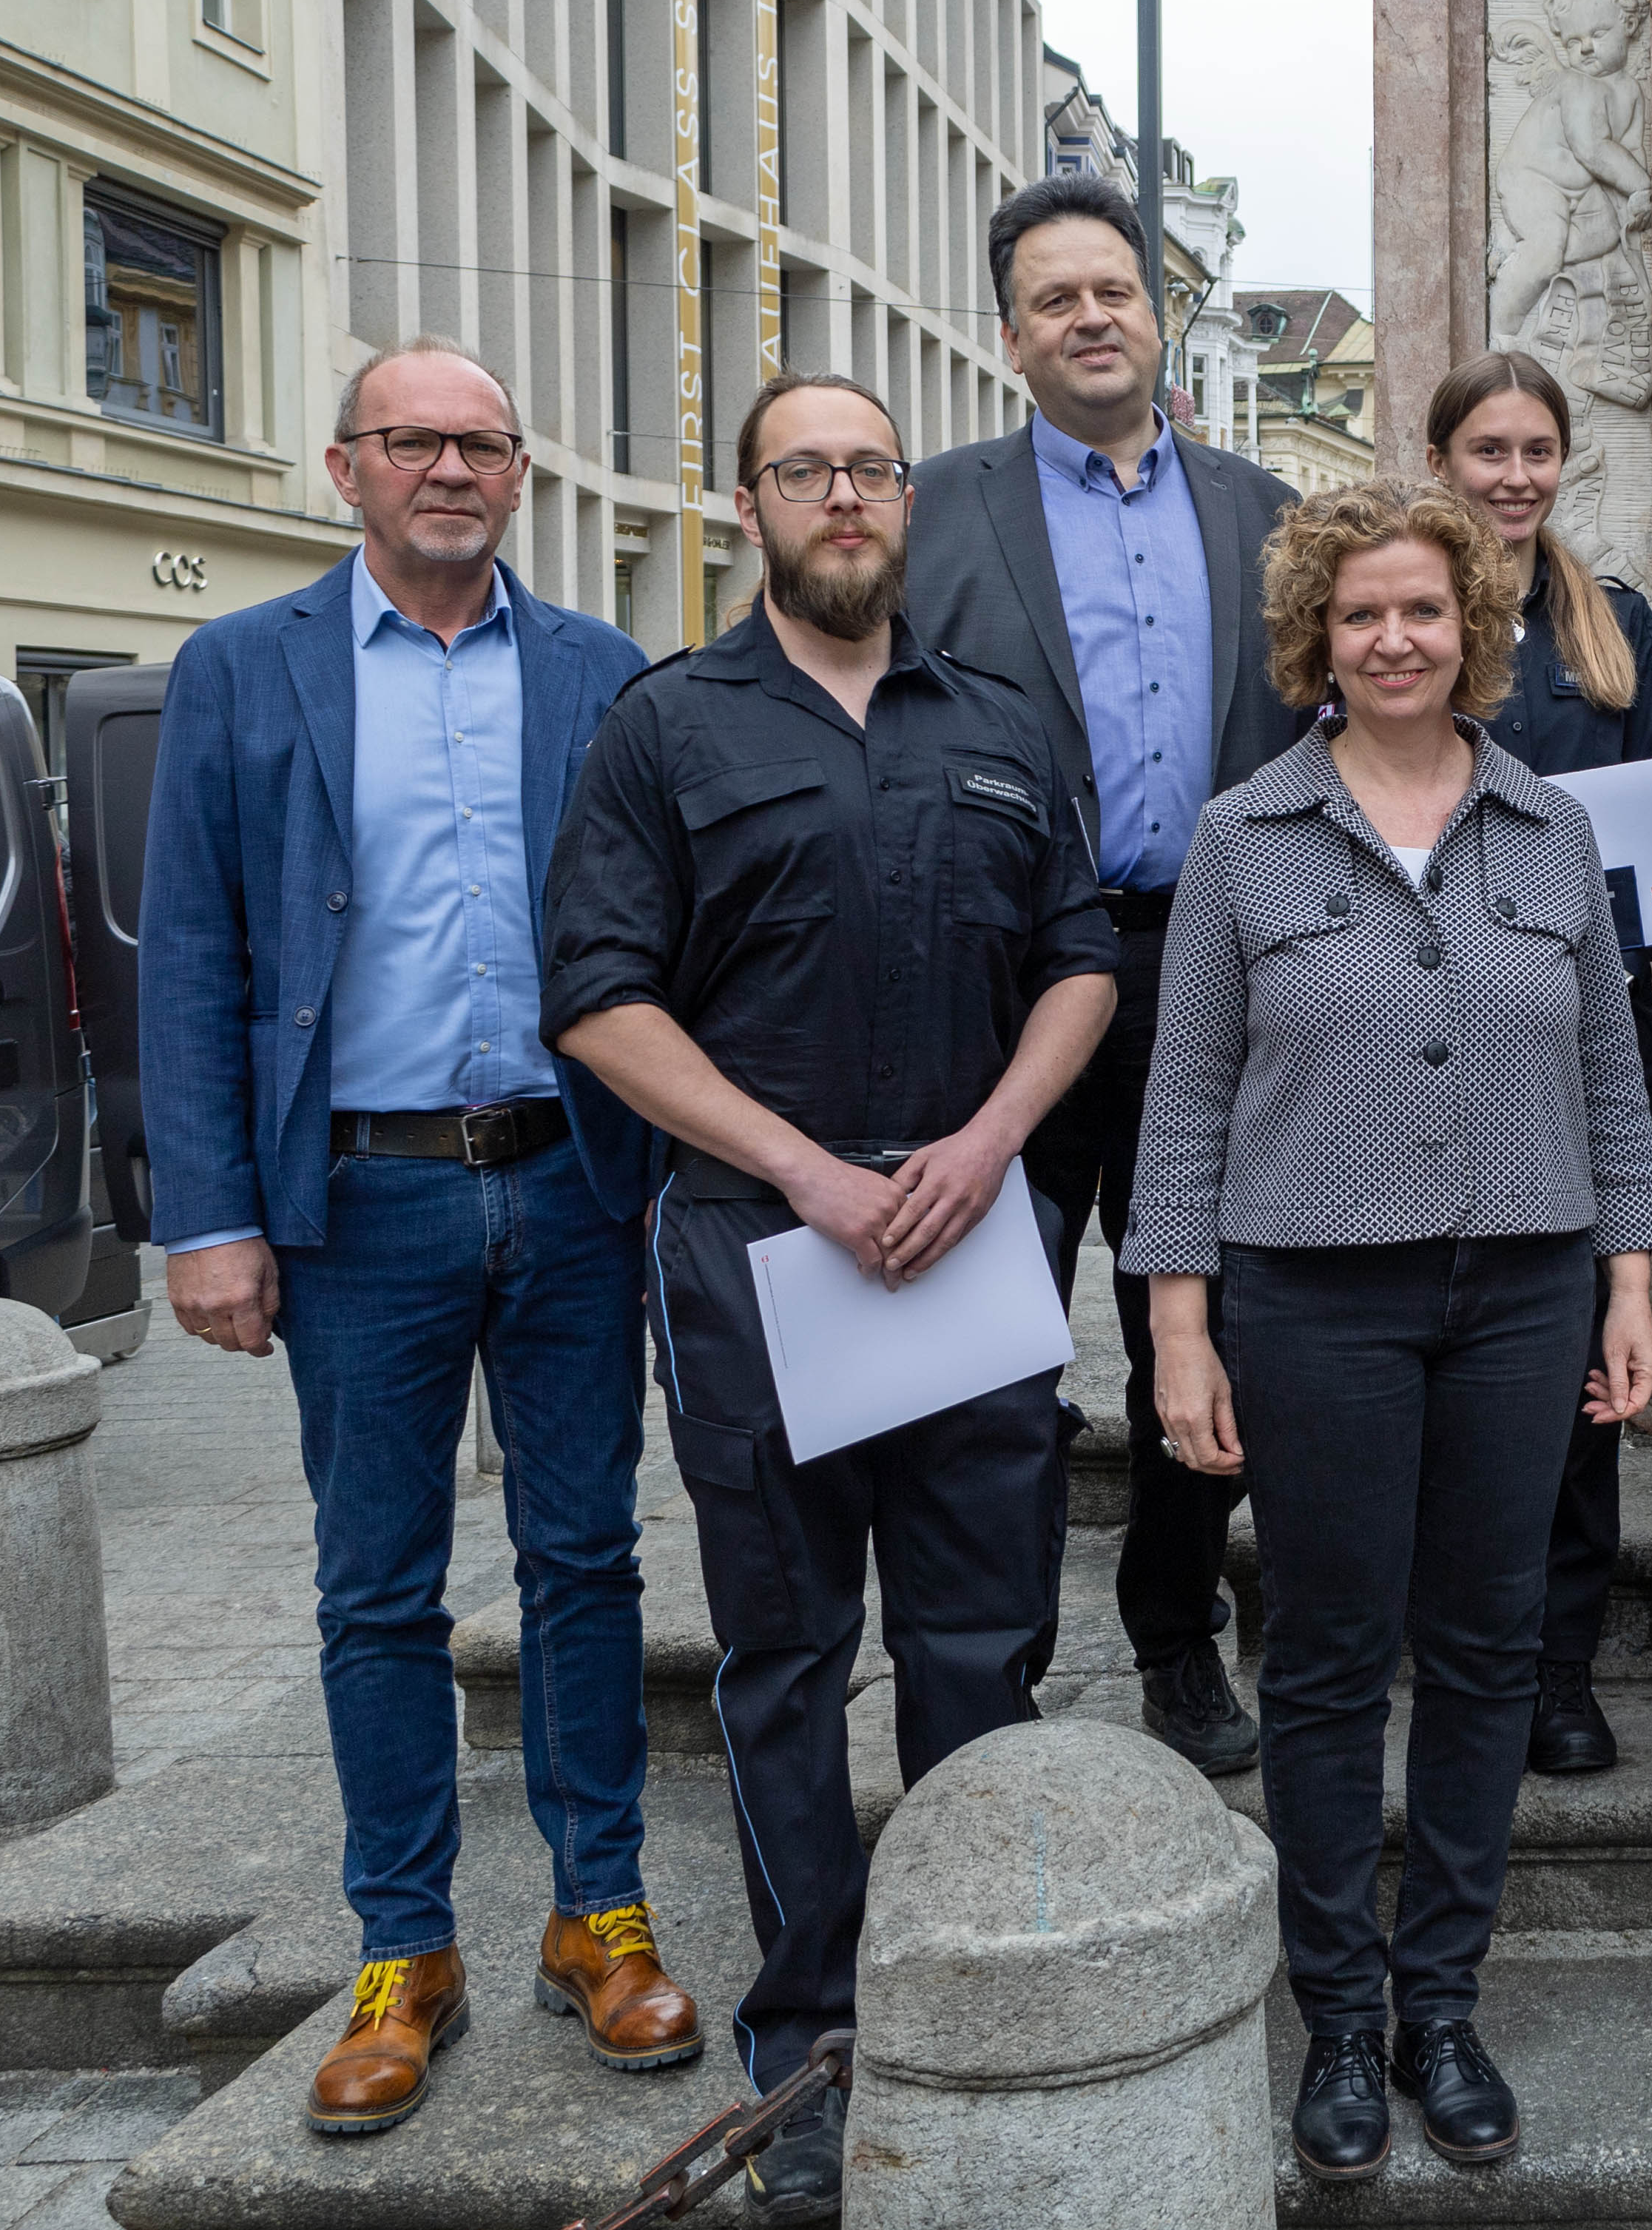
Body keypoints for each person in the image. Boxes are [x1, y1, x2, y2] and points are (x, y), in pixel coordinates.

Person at [543, 373, 1122, 2222]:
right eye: (808, 472)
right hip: (761, 1252)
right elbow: (599, 999)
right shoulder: (666, 730)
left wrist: (992, 1143)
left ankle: (963, 1996)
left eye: (871, 468)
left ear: (908, 503)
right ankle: (809, 2053)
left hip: (968, 1241)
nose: (847, 497)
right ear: (749, 509)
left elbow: (1083, 961)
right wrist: (803, 1167)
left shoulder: (1005, 721)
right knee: (787, 1668)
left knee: (981, 1655)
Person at [141, 338, 695, 2141]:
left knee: (585, 1559)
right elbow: (198, 963)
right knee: (376, 1587)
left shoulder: (599, 672)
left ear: (518, 475)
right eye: (414, 441)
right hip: (357, 1201)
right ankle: (404, 1950)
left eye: (480, 443)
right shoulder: (243, 672)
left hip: (568, 1178)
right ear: (345, 466)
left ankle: (596, 1915)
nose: (449, 468)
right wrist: (211, 1218)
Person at [1122, 482, 1652, 2180]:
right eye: (1360, 613)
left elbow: (1607, 1083)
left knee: (1492, 1649)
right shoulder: (1242, 838)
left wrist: (1630, 1283)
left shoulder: (1553, 831)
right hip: (1312, 1297)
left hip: (1521, 1291)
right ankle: (1341, 2015)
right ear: (1315, 639)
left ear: (1474, 629)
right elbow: (1185, 1106)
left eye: (1423, 609)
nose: (1395, 638)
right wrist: (1178, 1334)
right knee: (1333, 1658)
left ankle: (1443, 1998)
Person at [905, 175, 1301, 1785]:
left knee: (1197, 1339)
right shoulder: (935, 510)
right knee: (990, 1353)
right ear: (1009, 337)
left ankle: (1173, 1631)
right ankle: (983, 1672)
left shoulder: (1263, 513)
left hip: (1215, 982)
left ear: (1157, 312)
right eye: (1054, 297)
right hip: (1004, 997)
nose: (1090, 316)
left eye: (1114, 290)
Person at [1415, 353, 1652, 1778]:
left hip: (1560, 1042)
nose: (1514, 475)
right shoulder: (1400, 613)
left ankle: (1555, 1669)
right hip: (1404, 1038)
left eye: (1535, 450)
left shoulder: (1613, 629)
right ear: (1441, 457)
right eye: (1487, 449)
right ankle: (1456, 1651)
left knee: (1577, 1373)